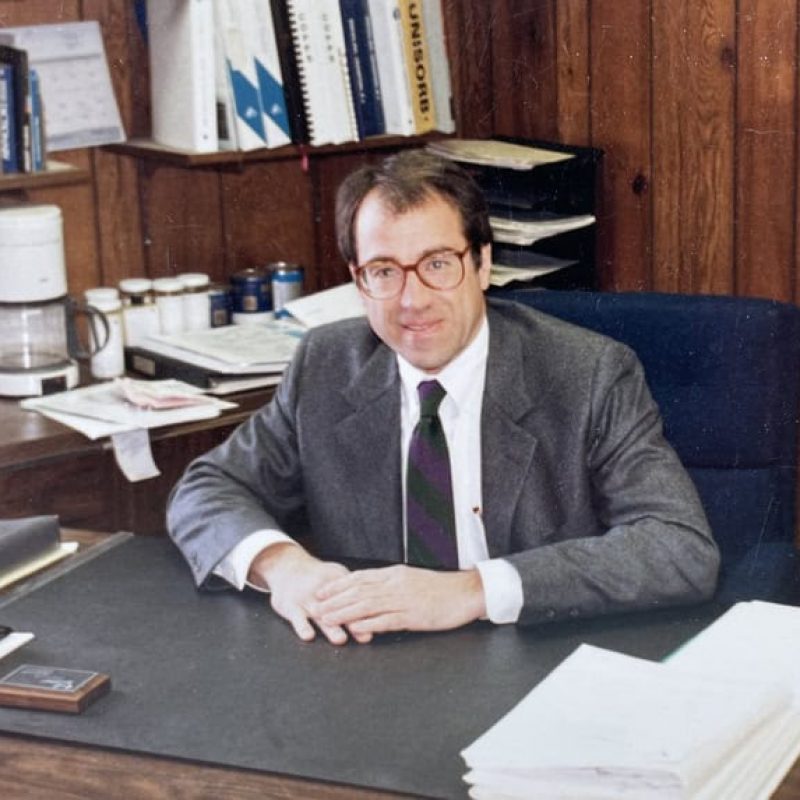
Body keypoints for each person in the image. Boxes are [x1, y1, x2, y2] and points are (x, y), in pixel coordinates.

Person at [167, 149, 719, 645]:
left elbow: (678, 547)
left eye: (436, 265)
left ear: (482, 265)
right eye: (384, 271)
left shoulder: (588, 373)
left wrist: (470, 592)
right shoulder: (326, 366)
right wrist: (284, 567)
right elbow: (206, 487)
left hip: (531, 656)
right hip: (372, 663)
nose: (412, 300)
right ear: (359, 282)